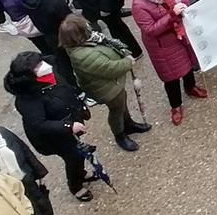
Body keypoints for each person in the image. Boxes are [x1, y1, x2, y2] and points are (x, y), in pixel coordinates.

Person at [2, 51, 93, 201]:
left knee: (77, 154)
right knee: (73, 157)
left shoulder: (49, 74)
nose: (44, 66)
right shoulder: (27, 100)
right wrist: (68, 126)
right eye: (37, 66)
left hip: (69, 122)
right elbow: (39, 124)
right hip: (55, 136)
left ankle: (81, 173)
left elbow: (67, 90)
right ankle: (76, 186)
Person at [129, 0, 208, 126]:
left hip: (180, 35)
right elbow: (150, 29)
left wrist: (184, 5)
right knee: (171, 76)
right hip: (163, 45)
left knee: (188, 65)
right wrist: (172, 15)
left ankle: (190, 87)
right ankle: (176, 106)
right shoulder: (139, 5)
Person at [58, 14, 150, 152]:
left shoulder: (83, 44)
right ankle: (120, 135)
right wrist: (128, 62)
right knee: (116, 111)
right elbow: (110, 68)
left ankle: (129, 124)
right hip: (106, 89)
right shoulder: (84, 55)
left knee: (122, 104)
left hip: (112, 84)